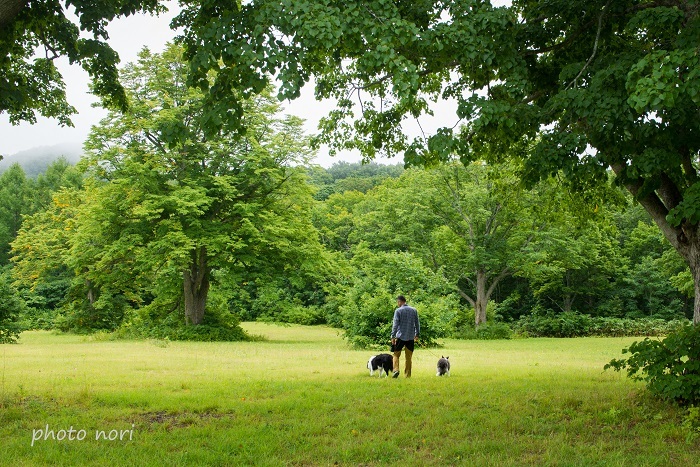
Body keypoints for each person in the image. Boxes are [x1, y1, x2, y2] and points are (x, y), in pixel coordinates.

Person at [390, 295, 420, 378]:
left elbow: (395, 325)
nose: (397, 304)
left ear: (400, 301)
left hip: (400, 336)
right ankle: (407, 375)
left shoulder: (398, 311)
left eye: (397, 302)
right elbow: (417, 323)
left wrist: (392, 336)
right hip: (410, 337)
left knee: (396, 354)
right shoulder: (414, 310)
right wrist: (417, 334)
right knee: (408, 357)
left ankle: (396, 370)